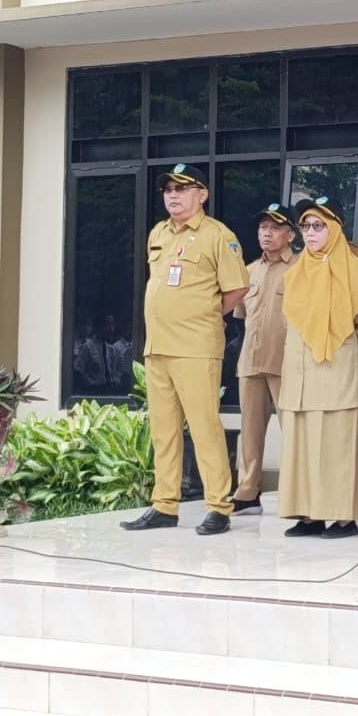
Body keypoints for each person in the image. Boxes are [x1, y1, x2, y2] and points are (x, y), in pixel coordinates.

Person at [121, 164, 249, 536]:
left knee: (205, 427)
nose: (173, 196)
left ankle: (218, 507)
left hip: (195, 346)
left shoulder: (217, 236)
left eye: (182, 189)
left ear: (202, 195)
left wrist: (204, 313)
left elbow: (237, 288)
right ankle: (164, 504)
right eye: (168, 190)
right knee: (164, 430)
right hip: (158, 346)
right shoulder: (159, 233)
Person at [278, 197, 358, 538]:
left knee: (337, 447)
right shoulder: (295, 272)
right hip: (299, 376)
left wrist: (339, 338)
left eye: (318, 226)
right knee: (302, 446)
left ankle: (342, 518)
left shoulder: (354, 269)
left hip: (335, 372)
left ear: (334, 229)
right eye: (305, 226)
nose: (310, 232)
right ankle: (308, 515)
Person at [229, 202, 297, 516]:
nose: (266, 234)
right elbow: (242, 315)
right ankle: (247, 492)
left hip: (285, 362)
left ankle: (297, 494)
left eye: (274, 228)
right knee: (250, 430)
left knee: (293, 429)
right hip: (251, 360)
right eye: (262, 228)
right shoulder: (250, 270)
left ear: (290, 234)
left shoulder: (299, 268)